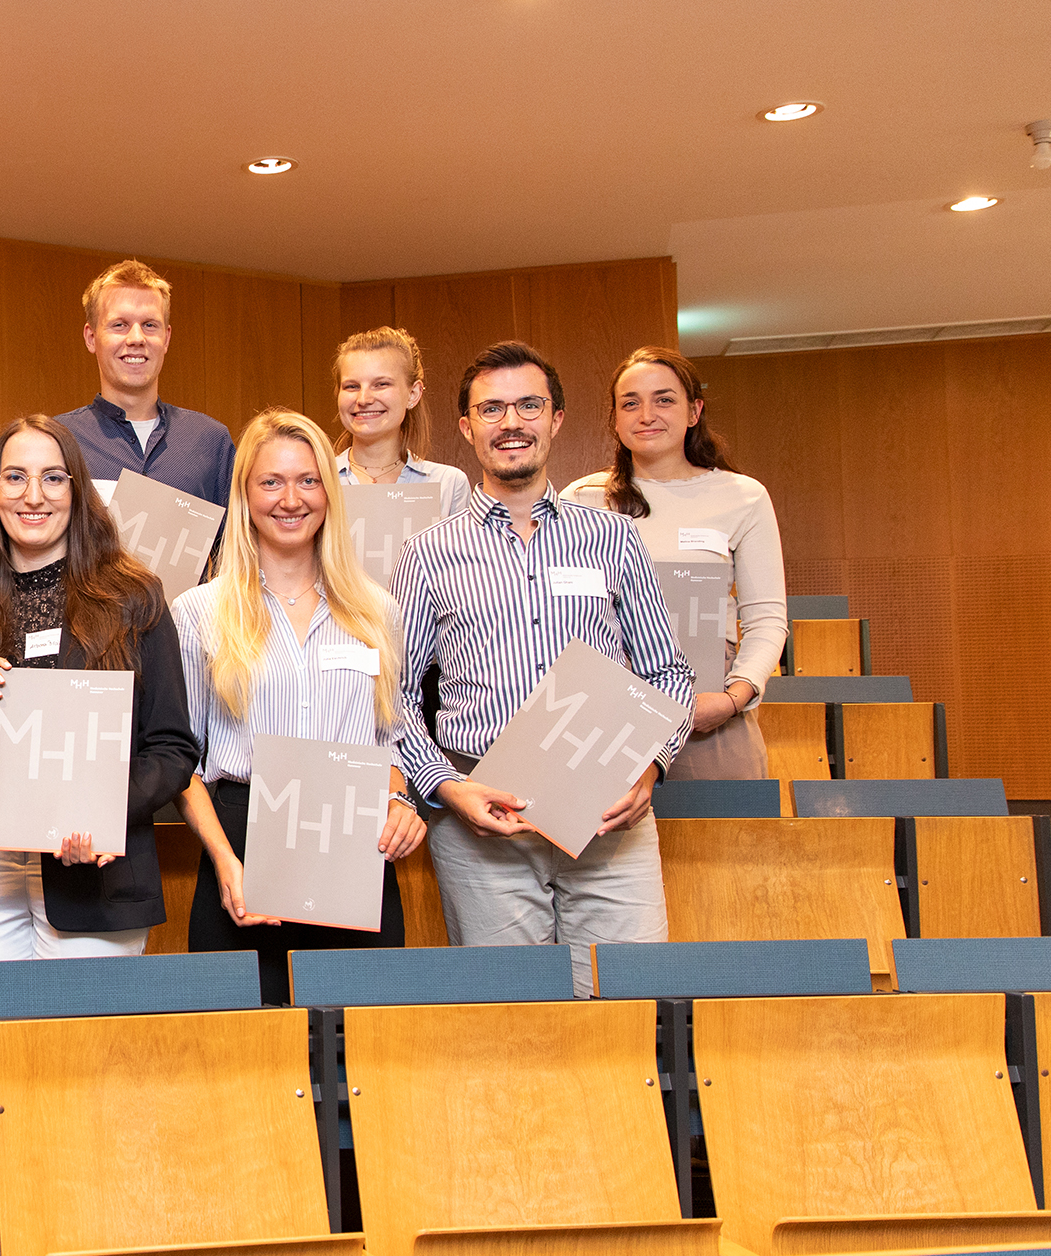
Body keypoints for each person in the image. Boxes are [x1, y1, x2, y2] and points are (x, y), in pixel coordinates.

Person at [393, 342, 696, 991]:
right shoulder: (428, 553)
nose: (512, 422)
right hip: (482, 823)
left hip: (607, 816)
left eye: (529, 405)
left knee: (634, 1005)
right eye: (492, 409)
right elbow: (393, 700)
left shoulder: (613, 537)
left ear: (556, 419)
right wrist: (449, 789)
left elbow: (668, 674)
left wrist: (650, 769)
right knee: (515, 1022)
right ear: (468, 428)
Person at [0, 416, 197, 1017]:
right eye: (15, 477)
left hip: (95, 864)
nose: (33, 495)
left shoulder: (134, 600)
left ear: (78, 490)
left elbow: (172, 747)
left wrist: (103, 813)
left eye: (53, 478)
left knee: (81, 1055)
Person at [173, 411, 427, 1004]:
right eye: (271, 482)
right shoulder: (199, 613)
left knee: (360, 1049)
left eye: (308, 481)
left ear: (330, 494)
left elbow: (389, 738)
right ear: (244, 495)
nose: (291, 499)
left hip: (354, 845)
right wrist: (224, 861)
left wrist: (399, 801)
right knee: (244, 1055)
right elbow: (179, 759)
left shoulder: (376, 612)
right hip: (241, 842)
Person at [561, 348, 785, 781]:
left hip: (707, 708)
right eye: (630, 403)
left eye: (664, 400)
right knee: (614, 847)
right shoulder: (581, 499)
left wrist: (735, 697)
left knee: (722, 846)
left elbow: (766, 618)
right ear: (615, 419)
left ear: (694, 411)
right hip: (606, 711)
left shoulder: (743, 496)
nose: (646, 414)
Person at [56, 260, 236, 507]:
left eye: (150, 325)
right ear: (91, 337)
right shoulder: (58, 441)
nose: (137, 338)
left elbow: (235, 542)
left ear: (166, 338)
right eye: (120, 325)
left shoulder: (211, 441)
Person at [328, 326, 473, 515]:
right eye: (352, 386)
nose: (363, 399)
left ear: (413, 394)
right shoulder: (317, 481)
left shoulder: (448, 484)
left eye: (381, 384)